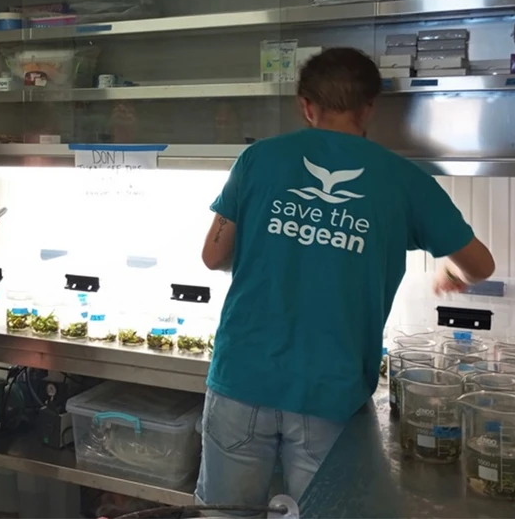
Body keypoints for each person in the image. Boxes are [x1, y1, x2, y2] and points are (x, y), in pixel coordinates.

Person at [196, 47, 495, 509]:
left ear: (305, 105)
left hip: (242, 381)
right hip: (329, 396)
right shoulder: (404, 180)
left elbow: (213, 256)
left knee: (223, 515)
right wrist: (452, 271)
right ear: (369, 107)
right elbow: (481, 265)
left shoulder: (258, 159)